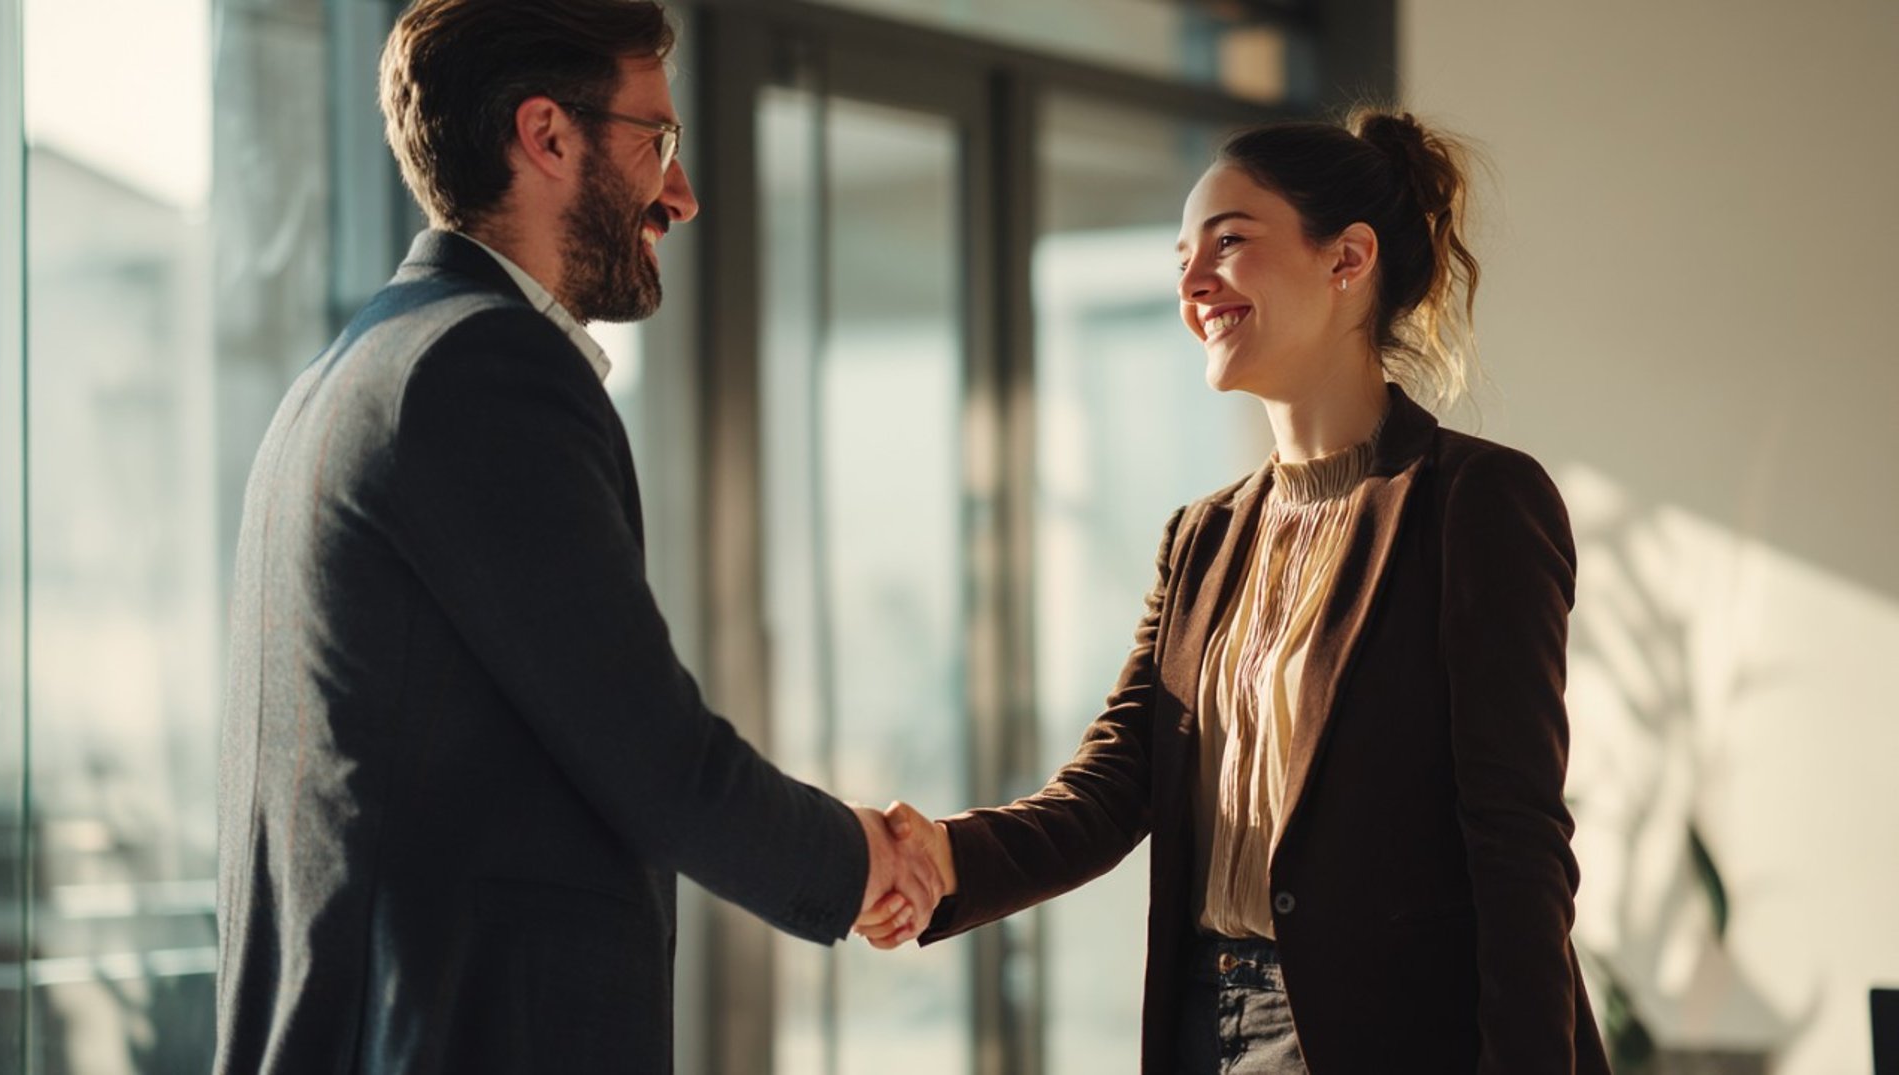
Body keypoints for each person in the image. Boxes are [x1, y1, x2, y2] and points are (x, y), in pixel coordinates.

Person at [212, 2, 937, 1072]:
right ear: (547, 135)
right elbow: (651, 752)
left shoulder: (351, 375)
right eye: (658, 141)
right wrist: (858, 861)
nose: (679, 195)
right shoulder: (481, 371)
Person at [860, 111, 1611, 1073]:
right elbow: (1110, 789)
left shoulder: (1475, 502)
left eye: (1230, 242)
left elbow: (1517, 841)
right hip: (1208, 1029)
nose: (1191, 283)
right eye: (1183, 254)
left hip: (1395, 1039)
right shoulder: (1204, 538)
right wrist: (942, 857)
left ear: (1347, 261)